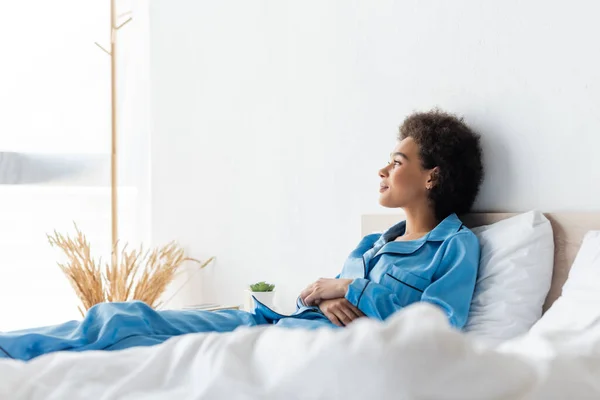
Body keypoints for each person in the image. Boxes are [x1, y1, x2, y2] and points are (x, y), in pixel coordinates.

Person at [0, 109, 483, 361]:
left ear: (432, 177)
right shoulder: (372, 243)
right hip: (274, 323)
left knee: (135, 339)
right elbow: (328, 302)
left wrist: (347, 288)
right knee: (124, 316)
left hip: (298, 347)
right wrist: (324, 295)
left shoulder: (457, 245)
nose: (382, 169)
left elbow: (438, 328)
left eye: (397, 162)